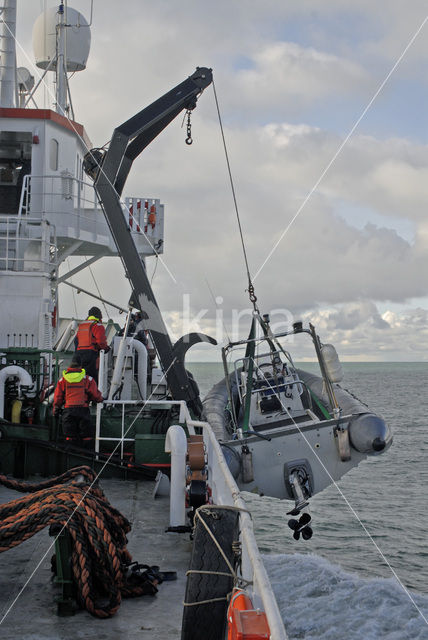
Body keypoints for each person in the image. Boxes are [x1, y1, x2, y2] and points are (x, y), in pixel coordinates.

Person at [53, 354, 103, 447]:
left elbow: (58, 398)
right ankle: (87, 455)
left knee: (69, 437)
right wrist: (100, 399)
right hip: (83, 411)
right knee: (87, 436)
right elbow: (96, 396)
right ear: (81, 366)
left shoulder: (62, 380)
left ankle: (70, 456)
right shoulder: (88, 379)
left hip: (68, 412)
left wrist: (56, 409)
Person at [75, 306, 110, 381]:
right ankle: (93, 392)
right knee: (92, 378)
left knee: (81, 377)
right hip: (90, 354)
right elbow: (101, 342)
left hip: (79, 354)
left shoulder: (82, 325)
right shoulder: (98, 325)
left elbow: (76, 340)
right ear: (99, 315)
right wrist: (106, 348)